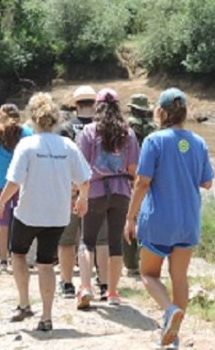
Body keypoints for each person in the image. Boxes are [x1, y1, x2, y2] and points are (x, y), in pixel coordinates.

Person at [124, 88, 214, 348]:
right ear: (184, 113)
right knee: (180, 278)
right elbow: (207, 182)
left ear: (160, 112)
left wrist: (130, 218)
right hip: (188, 222)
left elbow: (142, 182)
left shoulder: (154, 140)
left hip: (158, 221)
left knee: (148, 274)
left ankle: (170, 310)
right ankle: (173, 336)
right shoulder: (199, 142)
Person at [0, 92, 91, 332]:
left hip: (28, 212)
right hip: (57, 215)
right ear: (56, 119)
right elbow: (84, 179)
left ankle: (24, 304)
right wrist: (82, 199)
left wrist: (0, 203)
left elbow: (14, 181)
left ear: (33, 118)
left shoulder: (27, 144)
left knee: (18, 254)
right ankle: (46, 317)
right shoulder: (68, 145)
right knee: (46, 263)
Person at [76, 88, 140, 308]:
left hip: (95, 191)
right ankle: (112, 292)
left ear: (97, 107)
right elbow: (133, 169)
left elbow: (82, 168)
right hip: (121, 191)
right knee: (115, 244)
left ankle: (85, 287)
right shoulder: (128, 134)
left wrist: (80, 195)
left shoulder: (88, 131)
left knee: (87, 241)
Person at [56, 86, 110, 300]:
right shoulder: (105, 128)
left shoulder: (66, 128)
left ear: (75, 105)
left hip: (70, 190)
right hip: (98, 189)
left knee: (67, 239)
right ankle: (104, 284)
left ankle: (67, 283)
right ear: (95, 104)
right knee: (100, 240)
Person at [0, 104, 34, 272]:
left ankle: (3, 260)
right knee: (22, 219)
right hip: (21, 181)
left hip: (0, 182)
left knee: (2, 220)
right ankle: (19, 256)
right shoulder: (27, 133)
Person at [124, 94, 158, 276]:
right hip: (151, 177)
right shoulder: (155, 129)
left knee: (129, 218)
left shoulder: (127, 126)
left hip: (131, 177)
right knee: (146, 218)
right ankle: (147, 258)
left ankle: (131, 264)